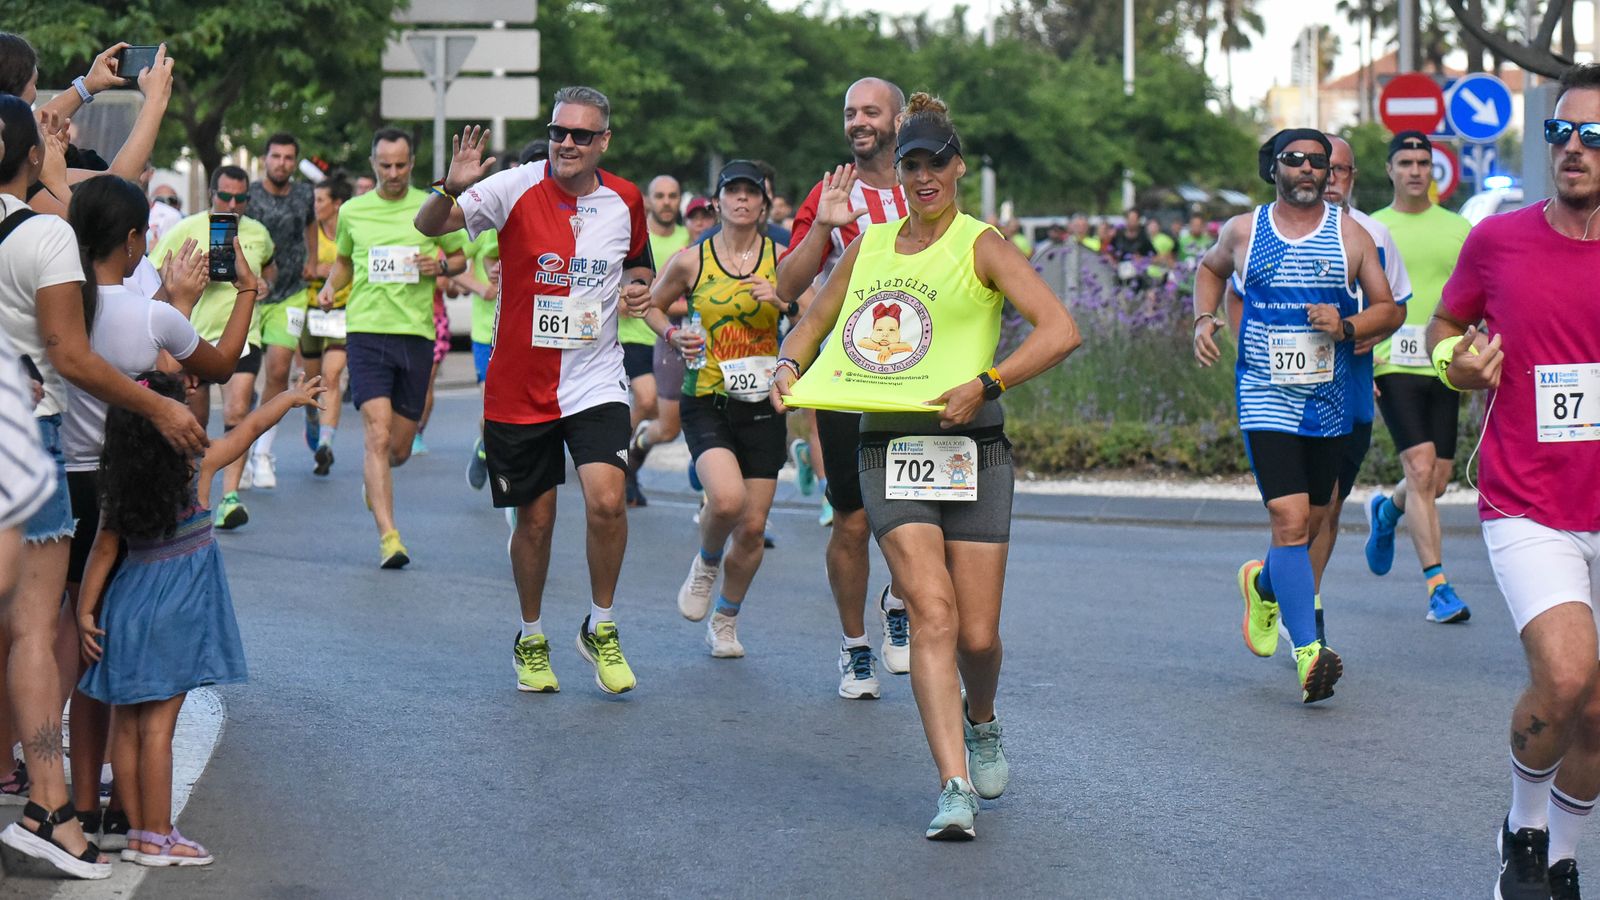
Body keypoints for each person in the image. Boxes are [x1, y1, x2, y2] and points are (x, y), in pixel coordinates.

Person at [774, 92, 1080, 839]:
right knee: (931, 614)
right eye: (911, 165)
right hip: (890, 449)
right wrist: (788, 363)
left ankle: (984, 720)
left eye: (935, 163)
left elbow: (1060, 330)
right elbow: (812, 322)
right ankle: (953, 786)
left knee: (977, 636)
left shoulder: (983, 245)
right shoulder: (869, 247)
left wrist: (987, 384)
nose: (923, 177)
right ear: (899, 173)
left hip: (973, 447)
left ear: (958, 167)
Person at [0, 93, 207, 881]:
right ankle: (50, 811)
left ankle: (50, 805)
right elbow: (71, 353)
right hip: (28, 439)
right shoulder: (44, 233)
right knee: (35, 633)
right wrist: (159, 405)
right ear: (32, 156)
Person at [1427, 65, 1600, 900]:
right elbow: (1444, 327)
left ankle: (1562, 862)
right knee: (1565, 679)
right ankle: (1522, 835)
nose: (1574, 148)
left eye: (1593, 135)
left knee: (1598, 711)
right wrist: (1454, 365)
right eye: (1561, 132)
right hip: (1529, 499)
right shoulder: (1497, 241)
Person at [415, 87, 652, 695]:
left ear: (604, 141)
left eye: (580, 135)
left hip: (596, 378)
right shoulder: (512, 186)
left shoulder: (626, 198)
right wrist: (449, 187)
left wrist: (637, 288)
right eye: (557, 132)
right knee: (537, 520)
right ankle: (531, 635)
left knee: (608, 501)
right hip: (520, 385)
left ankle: (601, 625)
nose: (566, 143)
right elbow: (430, 226)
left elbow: (639, 263)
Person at [77, 371, 324, 868]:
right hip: (176, 611)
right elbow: (250, 428)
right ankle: (159, 835)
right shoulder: (198, 464)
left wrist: (85, 611)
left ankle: (136, 833)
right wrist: (289, 397)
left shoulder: (117, 483)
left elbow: (103, 550)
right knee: (158, 731)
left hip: (126, 606)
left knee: (126, 725)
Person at [1192, 128, 1402, 704]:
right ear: (1274, 169)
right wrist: (1204, 320)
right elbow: (1209, 271)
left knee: (1312, 520)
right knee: (1288, 521)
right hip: (1265, 396)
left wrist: (1348, 325)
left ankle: (1263, 584)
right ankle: (1310, 651)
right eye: (1295, 159)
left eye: (1318, 161)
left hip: (1327, 400)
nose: (1308, 169)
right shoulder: (1243, 230)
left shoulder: (1351, 235)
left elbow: (1389, 309)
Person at [774, 76, 916, 699]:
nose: (857, 121)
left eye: (870, 111)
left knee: (918, 513)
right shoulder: (832, 191)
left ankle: (900, 600)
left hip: (917, 379)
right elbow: (786, 286)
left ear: (899, 120)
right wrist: (821, 230)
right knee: (853, 522)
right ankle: (855, 646)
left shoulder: (926, 184)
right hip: (848, 377)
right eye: (849, 112)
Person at [646, 161, 792, 657]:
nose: (743, 199)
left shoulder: (783, 258)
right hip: (707, 397)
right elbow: (652, 305)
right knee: (727, 502)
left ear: (764, 204)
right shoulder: (692, 260)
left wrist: (784, 301)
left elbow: (821, 310)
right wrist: (673, 334)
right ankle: (707, 562)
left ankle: (725, 620)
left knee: (752, 529)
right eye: (734, 191)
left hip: (764, 402)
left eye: (752, 192)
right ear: (717, 201)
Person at [1273, 135, 1411, 649]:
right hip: (1289, 391)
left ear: (1352, 177)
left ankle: (1278, 586)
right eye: (1320, 167)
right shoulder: (1276, 229)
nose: (1329, 179)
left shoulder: (1372, 235)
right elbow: (1237, 292)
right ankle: (1305, 613)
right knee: (1307, 504)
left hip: (1349, 386)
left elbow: (1394, 309)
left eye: (1340, 170)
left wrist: (1360, 331)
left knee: (1329, 506)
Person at [317, 127, 466, 568]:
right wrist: (330, 287)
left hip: (416, 334)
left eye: (401, 165)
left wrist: (439, 264)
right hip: (367, 331)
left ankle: (375, 476)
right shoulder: (353, 211)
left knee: (398, 449)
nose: (394, 173)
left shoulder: (433, 207)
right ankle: (389, 537)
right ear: (373, 164)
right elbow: (344, 262)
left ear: (412, 164)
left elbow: (459, 258)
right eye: (386, 165)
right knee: (376, 435)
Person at [1364, 130, 1475, 624]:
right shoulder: (1371, 228)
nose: (1414, 171)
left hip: (1444, 362)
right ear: (1390, 170)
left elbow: (1477, 295)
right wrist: (1359, 361)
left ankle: (1387, 510)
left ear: (1434, 171)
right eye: (1405, 163)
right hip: (1390, 360)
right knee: (1421, 466)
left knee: (1437, 480)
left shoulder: (1459, 228)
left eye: (1422, 163)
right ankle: (1438, 588)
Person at [152, 166, 276, 529]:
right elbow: (154, 271)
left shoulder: (258, 232)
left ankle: (230, 497)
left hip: (244, 336)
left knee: (237, 410)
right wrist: (188, 280)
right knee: (195, 423)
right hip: (194, 338)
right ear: (211, 194)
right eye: (225, 196)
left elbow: (271, 269)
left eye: (240, 198)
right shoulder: (186, 228)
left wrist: (262, 284)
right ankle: (193, 493)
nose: (232, 204)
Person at [246, 133, 317, 489]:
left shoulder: (304, 194)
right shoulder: (249, 195)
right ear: (265, 159)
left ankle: (262, 453)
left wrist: (313, 259)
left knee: (278, 370)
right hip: (250, 294)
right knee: (242, 380)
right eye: (276, 157)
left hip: (291, 293)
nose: (282, 163)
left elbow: (311, 224)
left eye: (289, 158)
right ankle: (240, 449)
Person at [622, 174, 691, 507]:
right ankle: (618, 458)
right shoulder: (637, 237)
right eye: (660, 195)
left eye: (672, 195)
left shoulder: (688, 239)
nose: (666, 202)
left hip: (671, 339)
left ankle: (630, 456)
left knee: (670, 424)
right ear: (649, 201)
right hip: (634, 334)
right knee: (647, 400)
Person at [300, 176, 353, 476]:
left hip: (342, 312)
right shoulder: (309, 233)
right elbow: (295, 266)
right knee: (312, 381)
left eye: (320, 200)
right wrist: (311, 270)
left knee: (331, 376)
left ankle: (325, 444)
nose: (314, 205)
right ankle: (311, 414)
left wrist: (333, 274)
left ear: (336, 204)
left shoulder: (349, 230)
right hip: (310, 312)